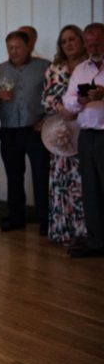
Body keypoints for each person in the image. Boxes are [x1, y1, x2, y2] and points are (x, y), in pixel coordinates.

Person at [0, 30, 50, 234]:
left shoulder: (44, 67)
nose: (14, 51)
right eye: (10, 47)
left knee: (41, 175)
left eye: (18, 47)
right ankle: (15, 217)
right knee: (14, 176)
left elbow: (55, 94)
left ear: (28, 46)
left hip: (35, 128)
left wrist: (46, 119)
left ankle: (45, 219)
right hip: (10, 130)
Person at [42, 25, 87, 245]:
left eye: (72, 39)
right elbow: (47, 97)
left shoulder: (90, 66)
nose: (69, 44)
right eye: (64, 41)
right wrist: (63, 109)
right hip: (60, 130)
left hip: (85, 126)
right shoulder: (55, 68)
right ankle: (63, 229)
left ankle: (86, 230)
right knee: (62, 181)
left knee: (84, 181)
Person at [63, 23, 104, 258]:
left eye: (96, 42)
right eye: (89, 43)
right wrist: (80, 99)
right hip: (87, 135)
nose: (92, 47)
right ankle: (97, 241)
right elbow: (68, 102)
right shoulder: (81, 69)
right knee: (90, 190)